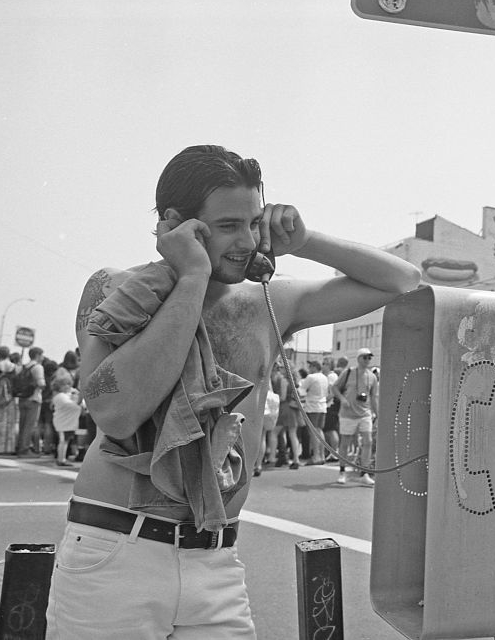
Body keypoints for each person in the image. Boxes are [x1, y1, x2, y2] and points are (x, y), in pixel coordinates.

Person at [45, 144, 420, 639]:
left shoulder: (268, 300)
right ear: (178, 224)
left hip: (216, 559)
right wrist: (193, 278)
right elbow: (116, 412)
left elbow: (404, 282)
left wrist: (305, 241)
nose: (247, 241)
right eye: (227, 226)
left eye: (253, 222)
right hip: (116, 549)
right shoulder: (117, 288)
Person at [331, 347, 379, 486]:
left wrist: (377, 414)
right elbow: (334, 388)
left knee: (368, 441)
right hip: (348, 413)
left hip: (365, 413)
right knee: (345, 442)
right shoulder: (348, 372)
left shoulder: (372, 376)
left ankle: (364, 473)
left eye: (369, 357)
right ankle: (342, 471)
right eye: (365, 357)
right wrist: (342, 399)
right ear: (358, 358)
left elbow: (373, 397)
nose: (367, 360)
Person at [14, 347, 46, 457]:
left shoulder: (24, 367)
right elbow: (41, 383)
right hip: (33, 398)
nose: (42, 357)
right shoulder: (37, 367)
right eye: (41, 355)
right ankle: (24, 450)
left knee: (22, 425)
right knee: (29, 426)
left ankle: (19, 447)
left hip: (22, 398)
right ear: (37, 355)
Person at [300, 359, 329, 465]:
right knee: (319, 430)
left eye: (310, 366)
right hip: (322, 406)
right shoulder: (325, 377)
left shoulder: (311, 377)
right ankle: (321, 455)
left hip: (312, 406)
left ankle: (316, 455)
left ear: (314, 367)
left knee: (313, 432)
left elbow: (301, 391)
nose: (309, 368)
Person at [51, 374, 83, 467]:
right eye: (65, 384)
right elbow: (73, 406)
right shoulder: (61, 397)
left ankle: (61, 458)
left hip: (64, 423)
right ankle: (61, 459)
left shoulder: (61, 395)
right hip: (63, 423)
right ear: (59, 386)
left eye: (69, 384)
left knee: (64, 441)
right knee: (63, 441)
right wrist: (78, 398)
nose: (68, 386)